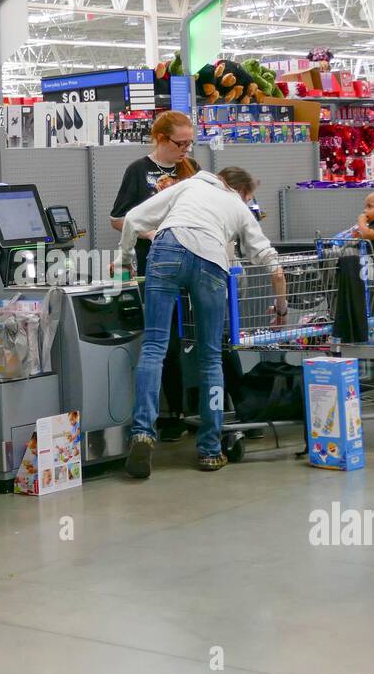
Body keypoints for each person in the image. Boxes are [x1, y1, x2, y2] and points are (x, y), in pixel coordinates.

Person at [119, 167, 286, 476]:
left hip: (167, 250)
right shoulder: (236, 204)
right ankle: (210, 450)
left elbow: (132, 219)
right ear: (238, 191)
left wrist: (124, 260)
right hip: (211, 261)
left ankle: (142, 433)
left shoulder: (188, 187)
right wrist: (281, 302)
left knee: (154, 346)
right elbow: (267, 258)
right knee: (211, 356)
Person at [110, 110, 201, 441]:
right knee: (168, 342)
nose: (186, 150)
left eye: (190, 143)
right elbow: (118, 218)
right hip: (157, 266)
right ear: (161, 139)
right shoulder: (138, 171)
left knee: (207, 336)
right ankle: (172, 413)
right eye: (181, 143)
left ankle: (211, 410)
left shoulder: (193, 170)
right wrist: (148, 233)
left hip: (196, 262)